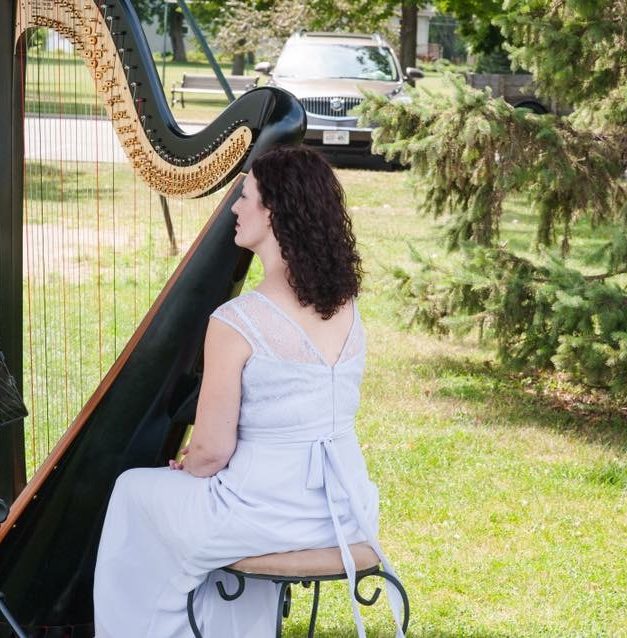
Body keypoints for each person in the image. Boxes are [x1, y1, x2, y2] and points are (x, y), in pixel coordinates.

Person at [93, 145, 404, 637]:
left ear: (274, 211)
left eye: (245, 197)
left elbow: (213, 452)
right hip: (343, 509)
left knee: (133, 491)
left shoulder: (236, 321)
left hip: (263, 513)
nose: (235, 208)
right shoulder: (346, 305)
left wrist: (189, 465)